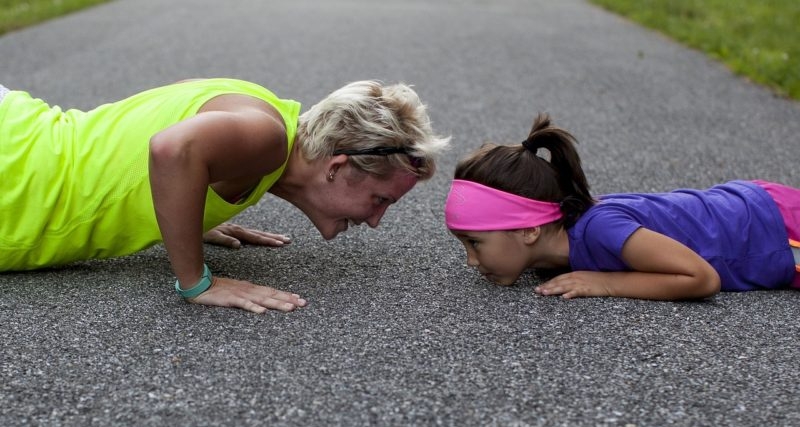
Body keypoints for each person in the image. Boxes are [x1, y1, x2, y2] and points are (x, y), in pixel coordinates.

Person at [0, 78, 449, 312]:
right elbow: (171, 148)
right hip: (15, 174)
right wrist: (197, 281)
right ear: (337, 167)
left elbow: (156, 121)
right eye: (380, 200)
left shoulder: (262, 111)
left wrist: (186, 210)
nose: (376, 221)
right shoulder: (267, 138)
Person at [444, 113, 800, 301]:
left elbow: (702, 278)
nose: (471, 260)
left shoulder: (600, 229)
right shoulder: (558, 245)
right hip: (758, 207)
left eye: (475, 242)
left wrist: (607, 283)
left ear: (530, 229)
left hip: (777, 229)